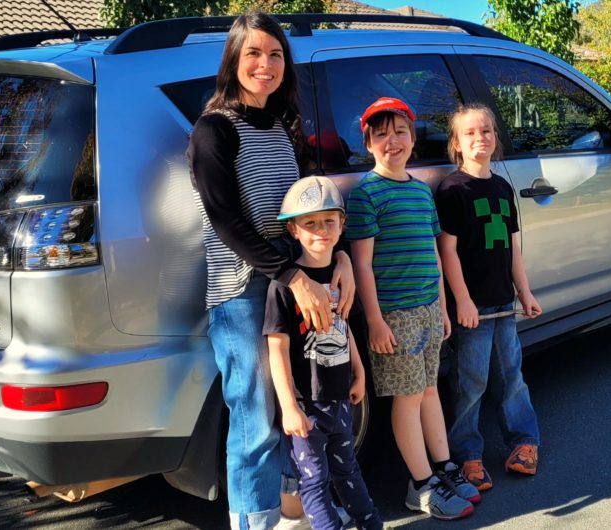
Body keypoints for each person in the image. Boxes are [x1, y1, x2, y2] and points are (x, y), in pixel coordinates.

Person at [186, 13, 355, 530]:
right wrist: (296, 277)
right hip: (243, 290)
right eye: (254, 53)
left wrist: (340, 256)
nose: (265, 64)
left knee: (299, 400)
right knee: (256, 419)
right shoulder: (213, 130)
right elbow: (227, 222)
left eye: (275, 54)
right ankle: (254, 522)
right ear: (233, 60)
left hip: (291, 280)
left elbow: (308, 211)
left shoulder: (283, 128)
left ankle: (291, 511)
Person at [345, 97, 480, 520]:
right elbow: (362, 264)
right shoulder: (367, 195)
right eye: (381, 134)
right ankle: (420, 485)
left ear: (412, 139)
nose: (392, 141)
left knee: (428, 392)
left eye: (400, 131)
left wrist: (441, 307)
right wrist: (374, 321)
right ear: (368, 143)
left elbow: (436, 257)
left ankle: (444, 468)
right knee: (406, 399)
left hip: (425, 311)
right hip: (395, 317)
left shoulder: (422, 192)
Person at [264, 176, 383, 530]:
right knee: (314, 481)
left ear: (342, 224)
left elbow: (344, 328)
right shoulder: (284, 286)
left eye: (329, 221)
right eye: (310, 223)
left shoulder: (342, 275)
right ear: (293, 230)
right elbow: (277, 349)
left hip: (340, 399)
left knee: (348, 469)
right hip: (306, 407)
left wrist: (360, 373)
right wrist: (288, 406)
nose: (321, 230)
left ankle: (370, 524)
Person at [435, 103, 542, 493]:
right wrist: (461, 300)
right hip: (474, 309)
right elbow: (447, 252)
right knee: (472, 380)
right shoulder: (452, 190)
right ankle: (467, 453)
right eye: (470, 133)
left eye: (487, 131)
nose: (480, 138)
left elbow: (514, 248)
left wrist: (524, 292)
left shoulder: (502, 187)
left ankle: (524, 441)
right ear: (456, 144)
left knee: (512, 375)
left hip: (503, 303)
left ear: (495, 139)